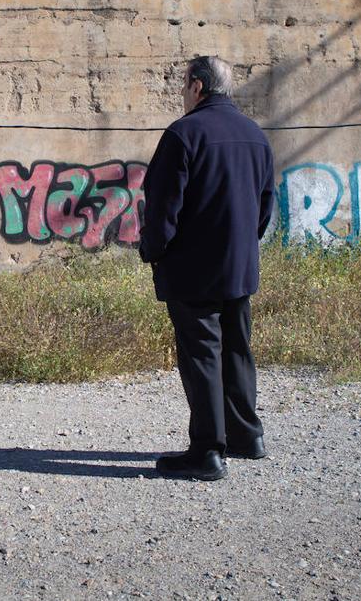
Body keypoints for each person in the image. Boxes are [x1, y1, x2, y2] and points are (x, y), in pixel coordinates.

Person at [139, 55, 275, 481]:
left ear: (197, 86)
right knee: (237, 350)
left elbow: (164, 206)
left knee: (201, 356)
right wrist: (243, 245)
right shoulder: (255, 136)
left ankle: (206, 451)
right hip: (240, 266)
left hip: (192, 269)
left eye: (183, 86)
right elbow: (265, 205)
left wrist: (153, 250)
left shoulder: (184, 134)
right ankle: (246, 435)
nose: (182, 95)